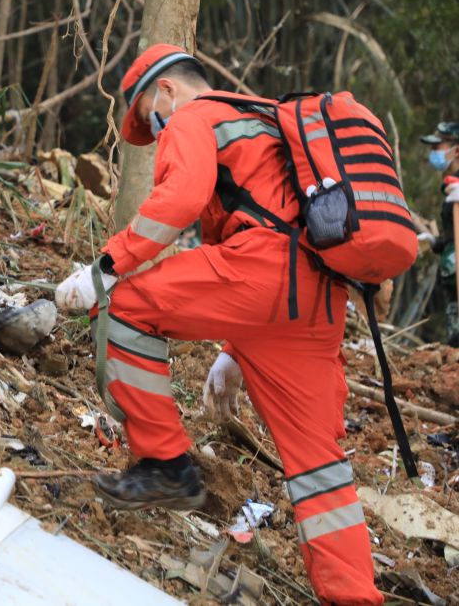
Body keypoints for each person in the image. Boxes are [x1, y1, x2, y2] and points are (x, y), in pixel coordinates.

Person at [55, 44, 383, 604]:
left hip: (263, 273)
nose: (157, 133)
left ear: (166, 92)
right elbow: (278, 215)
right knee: (318, 465)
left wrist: (106, 268)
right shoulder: (264, 120)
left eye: (149, 122)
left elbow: (179, 199)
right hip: (318, 300)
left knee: (127, 306)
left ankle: (165, 463)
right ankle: (354, 597)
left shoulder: (194, 116)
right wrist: (234, 350)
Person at [419, 121, 459, 346]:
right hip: (451, 277)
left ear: (456, 150)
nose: (433, 153)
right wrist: (435, 242)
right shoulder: (450, 188)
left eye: (438, 147)